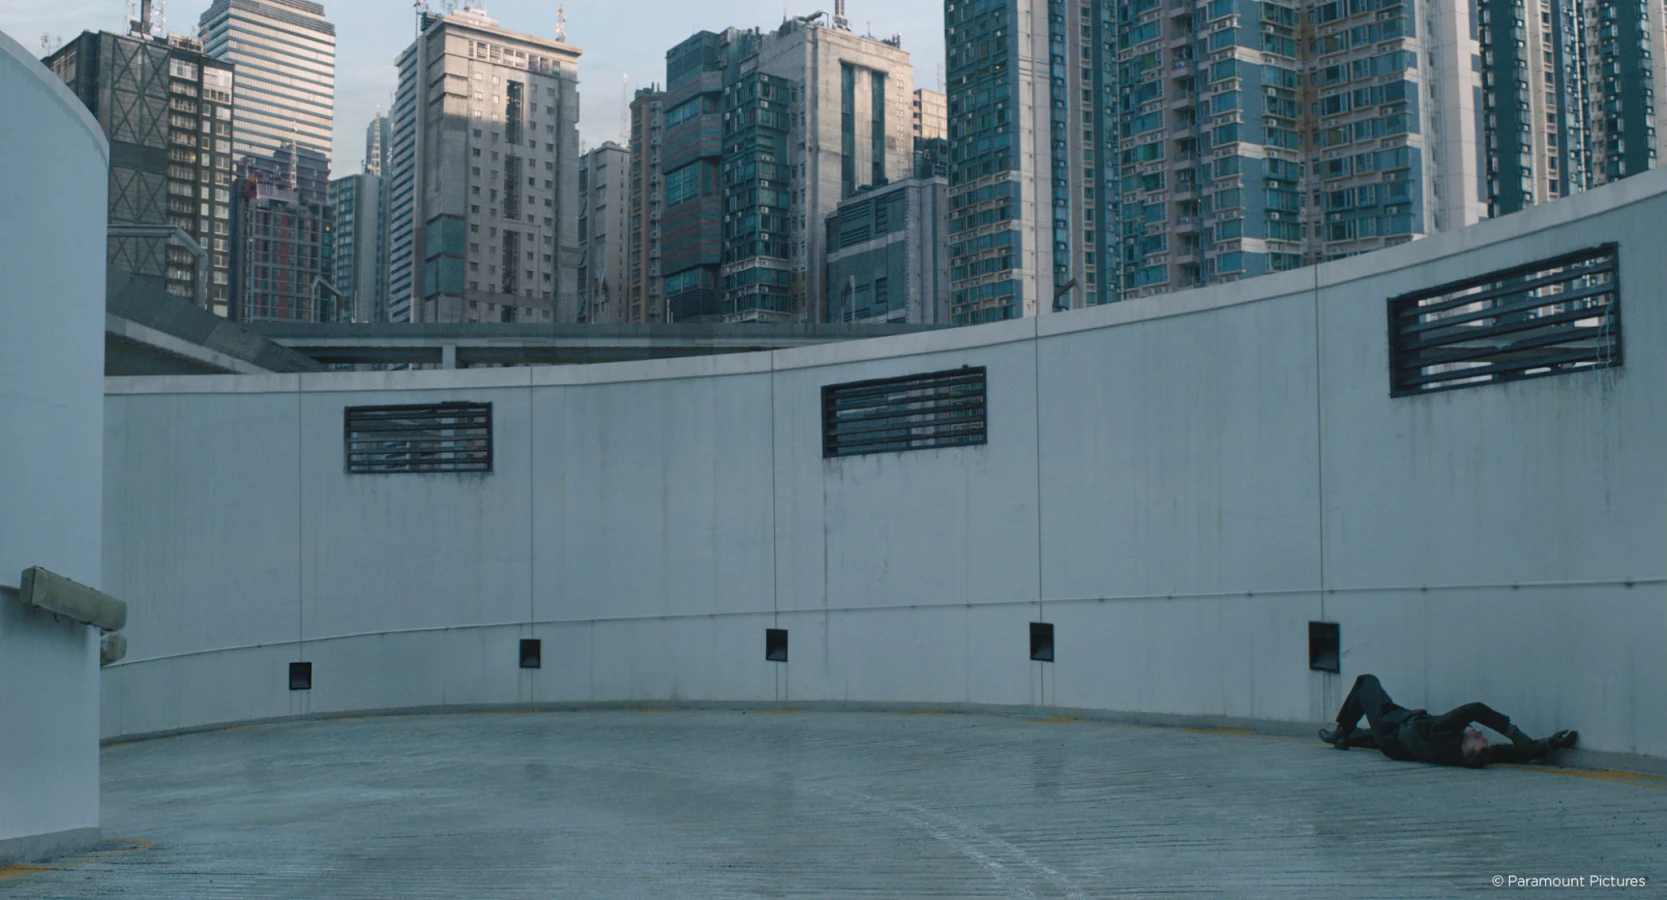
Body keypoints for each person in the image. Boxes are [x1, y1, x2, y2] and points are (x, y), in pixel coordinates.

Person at [1319, 674, 1577, 768]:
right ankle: (1350, 737)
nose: (1481, 735)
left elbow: (1475, 709)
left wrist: (1517, 735)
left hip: (1391, 726)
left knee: (1366, 683)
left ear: (1466, 748)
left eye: (1478, 740)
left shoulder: (1441, 732)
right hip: (1396, 747)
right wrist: (1547, 745)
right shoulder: (1459, 757)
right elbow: (1509, 754)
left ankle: (1341, 731)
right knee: (1367, 736)